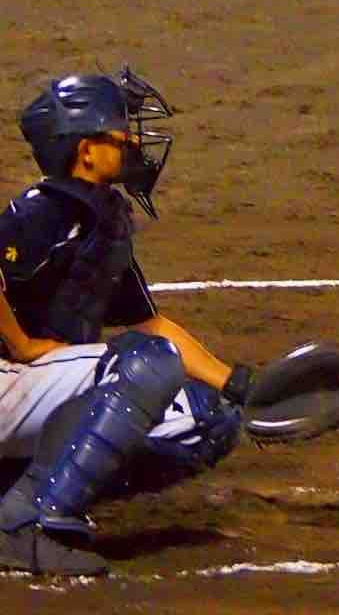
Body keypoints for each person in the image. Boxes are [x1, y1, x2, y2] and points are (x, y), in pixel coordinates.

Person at [0, 68, 253, 576]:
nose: (135, 143)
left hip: (24, 396)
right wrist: (22, 343)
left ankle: (21, 489)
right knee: (145, 367)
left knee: (207, 418)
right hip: (8, 379)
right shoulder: (41, 213)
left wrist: (241, 386)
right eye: (121, 134)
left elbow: (151, 326)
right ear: (86, 150)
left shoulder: (101, 222)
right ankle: (25, 526)